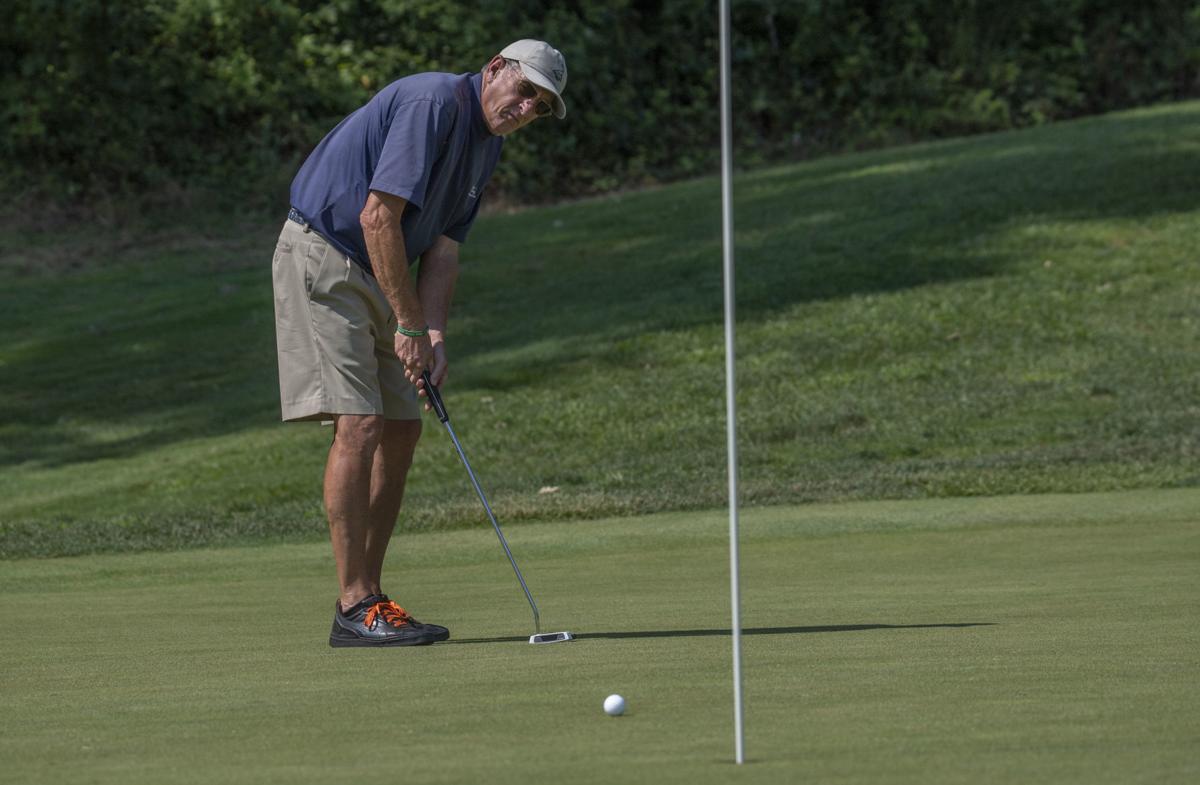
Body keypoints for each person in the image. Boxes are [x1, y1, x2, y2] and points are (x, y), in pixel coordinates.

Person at [271, 40, 568, 647]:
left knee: (403, 428)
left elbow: (444, 250)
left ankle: (370, 599)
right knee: (361, 423)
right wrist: (408, 325)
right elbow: (377, 217)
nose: (526, 109)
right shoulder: (432, 103)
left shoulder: (488, 145)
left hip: (384, 271)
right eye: (525, 91)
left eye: (539, 107)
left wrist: (432, 333)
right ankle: (355, 604)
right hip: (325, 256)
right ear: (495, 69)